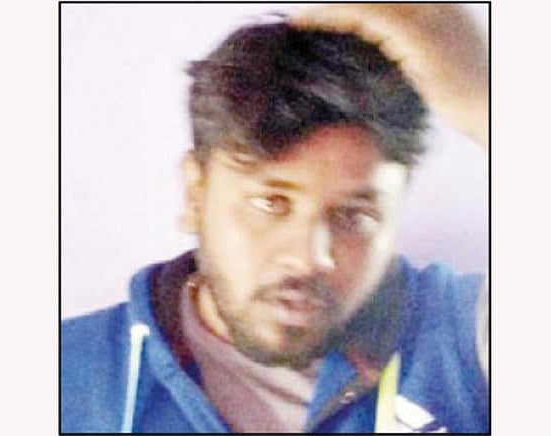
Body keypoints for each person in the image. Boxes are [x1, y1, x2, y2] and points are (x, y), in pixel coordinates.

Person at [62, 4, 488, 433]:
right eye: (271, 203)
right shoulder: (70, 376)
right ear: (195, 194)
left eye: (355, 215)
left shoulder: (460, 341)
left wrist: (487, 106)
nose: (309, 258)